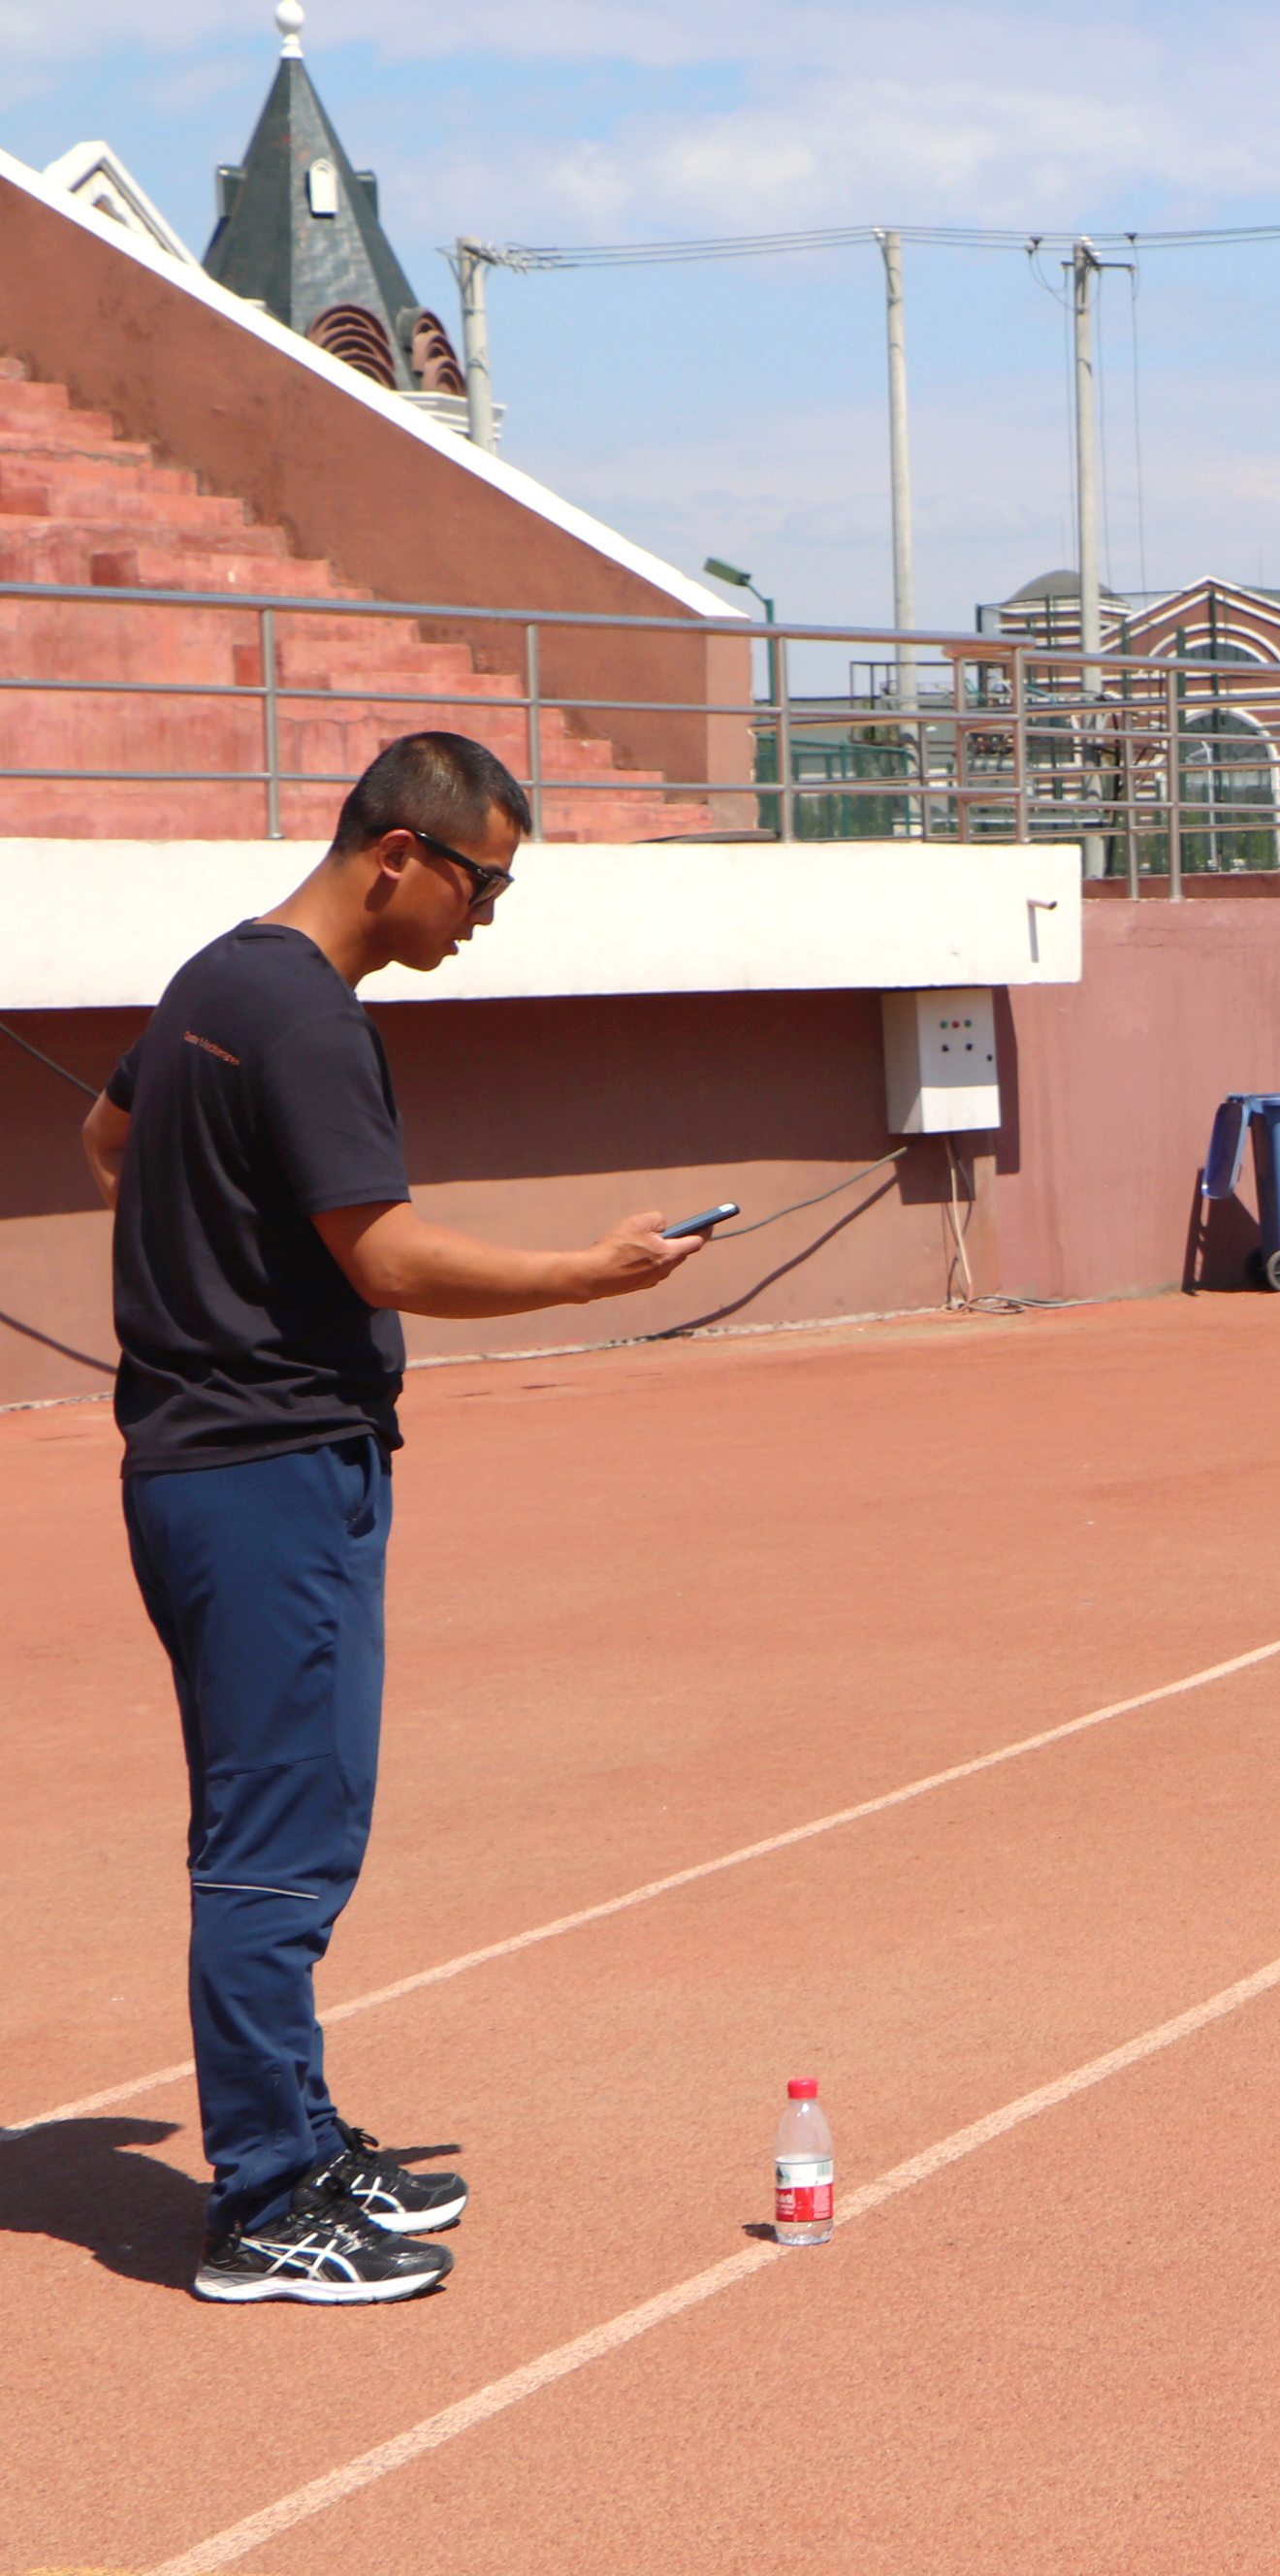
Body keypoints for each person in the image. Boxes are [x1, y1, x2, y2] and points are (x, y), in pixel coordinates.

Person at [75, 733, 708, 2304]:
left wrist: (207, 1267)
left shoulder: (219, 977)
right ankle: (262, 2202)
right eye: (482, 885)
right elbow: (390, 1257)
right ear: (398, 856)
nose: (484, 917)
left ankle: (294, 2135)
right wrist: (592, 1274)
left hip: (227, 1461)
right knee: (275, 1844)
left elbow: (109, 1143)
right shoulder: (303, 1017)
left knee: (287, 1820)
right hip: (263, 1469)